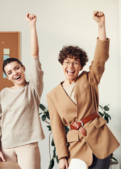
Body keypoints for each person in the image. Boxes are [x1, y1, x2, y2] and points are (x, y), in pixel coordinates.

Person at [47, 11, 120, 169]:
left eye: (75, 62)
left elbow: (101, 57)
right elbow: (57, 128)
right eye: (67, 62)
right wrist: (62, 157)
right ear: (62, 64)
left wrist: (101, 25)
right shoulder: (52, 95)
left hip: (100, 139)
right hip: (77, 145)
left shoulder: (89, 78)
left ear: (81, 66)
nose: (71, 66)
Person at [0, 13, 44, 169]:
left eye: (16, 68)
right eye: (10, 72)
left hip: (28, 146)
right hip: (6, 147)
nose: (14, 73)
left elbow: (34, 55)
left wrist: (32, 26)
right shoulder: (3, 93)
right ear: (7, 77)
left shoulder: (33, 89)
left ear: (23, 68)